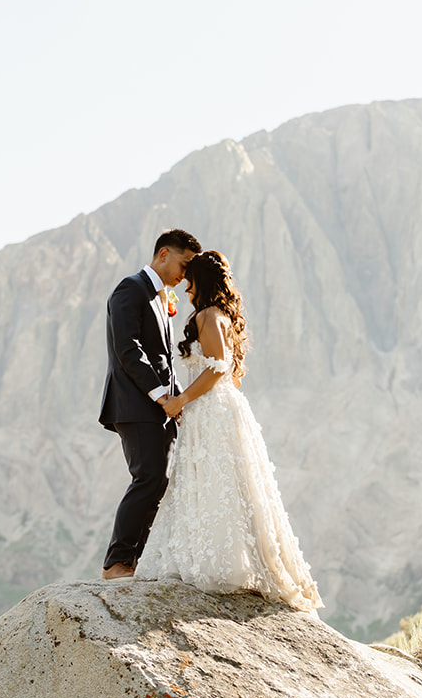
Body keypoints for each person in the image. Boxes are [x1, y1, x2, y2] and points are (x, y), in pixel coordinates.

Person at [134, 250, 323, 613]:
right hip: (218, 408)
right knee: (222, 482)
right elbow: (230, 371)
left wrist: (182, 401)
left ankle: (216, 562)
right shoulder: (222, 316)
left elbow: (218, 367)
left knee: (214, 481)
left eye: (190, 282)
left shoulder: (207, 316)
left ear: (201, 283)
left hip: (209, 409)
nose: (186, 288)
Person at [98, 229, 201, 580]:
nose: (186, 272)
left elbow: (164, 360)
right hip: (135, 403)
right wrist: (161, 396)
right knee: (148, 476)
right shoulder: (131, 289)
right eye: (184, 263)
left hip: (160, 405)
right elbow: (128, 350)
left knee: (159, 480)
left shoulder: (161, 297)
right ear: (162, 254)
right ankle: (116, 562)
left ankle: (134, 560)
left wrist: (177, 399)